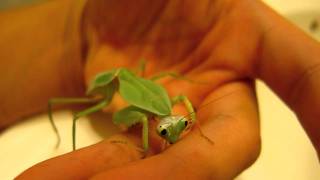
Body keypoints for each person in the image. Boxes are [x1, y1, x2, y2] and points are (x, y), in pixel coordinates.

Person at [0, 0, 319, 179]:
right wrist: (76, 35)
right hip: (100, 86)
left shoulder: (162, 101)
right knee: (71, 114)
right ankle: (63, 139)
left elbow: (170, 104)